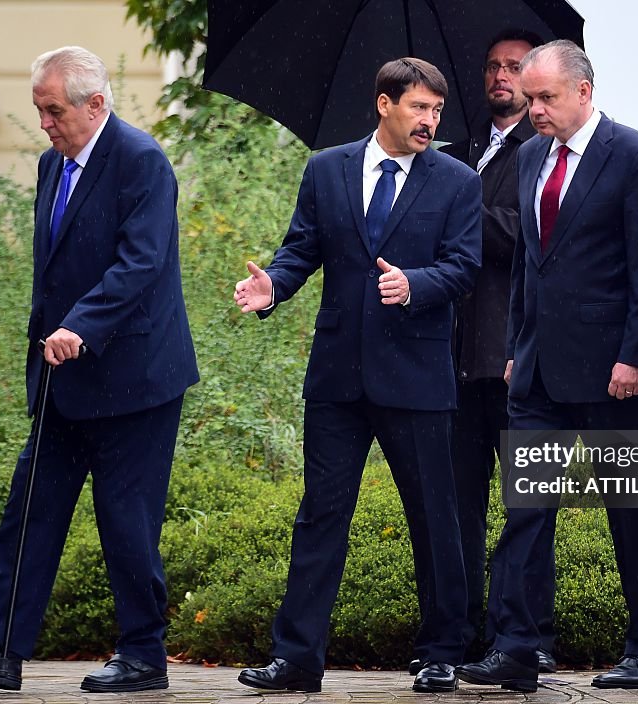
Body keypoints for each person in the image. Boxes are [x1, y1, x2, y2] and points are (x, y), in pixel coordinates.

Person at [0, 46, 199, 693]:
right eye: (39, 111)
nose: (44, 123)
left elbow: (140, 263)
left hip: (135, 382)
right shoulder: (52, 165)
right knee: (30, 511)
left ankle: (144, 657)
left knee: (126, 522)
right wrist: (46, 342)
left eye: (53, 111)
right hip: (62, 379)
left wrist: (83, 325)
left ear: (96, 104)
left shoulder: (142, 162)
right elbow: (54, 273)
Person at [233, 57, 481, 694]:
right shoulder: (327, 169)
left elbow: (464, 267)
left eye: (435, 110)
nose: (429, 121)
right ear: (384, 104)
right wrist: (273, 289)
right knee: (321, 515)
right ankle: (296, 659)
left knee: (435, 517)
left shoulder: (456, 181)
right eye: (418, 108)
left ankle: (441, 653)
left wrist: (416, 283)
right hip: (339, 378)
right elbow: (300, 249)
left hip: (418, 377)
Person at [455, 39, 638, 693]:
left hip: (615, 376)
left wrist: (636, 356)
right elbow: (528, 262)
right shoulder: (528, 157)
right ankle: (517, 647)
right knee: (525, 509)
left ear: (584, 90)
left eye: (547, 98)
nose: (536, 111)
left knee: (631, 511)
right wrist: (518, 345)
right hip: (537, 375)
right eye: (530, 100)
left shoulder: (636, 158)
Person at [434, 28, 556, 673]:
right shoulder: (461, 150)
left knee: (527, 509)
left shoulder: (545, 154)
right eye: (491, 67)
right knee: (457, 509)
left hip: (514, 357)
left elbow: (524, 236)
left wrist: (456, 208)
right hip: (453, 360)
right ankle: (459, 637)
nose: (500, 77)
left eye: (513, 68)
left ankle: (528, 636)